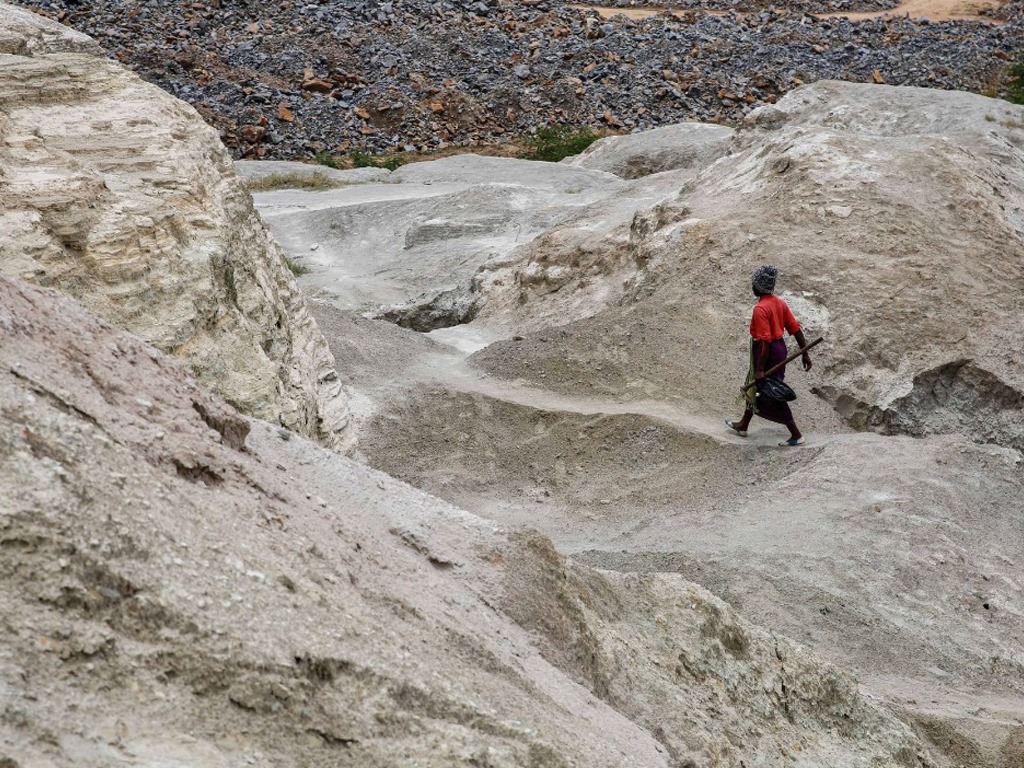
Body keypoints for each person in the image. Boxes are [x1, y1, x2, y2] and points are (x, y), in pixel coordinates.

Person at [725, 264, 812, 446]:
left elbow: (764, 341)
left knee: (770, 391)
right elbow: (795, 329)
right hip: (779, 349)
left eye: (754, 284)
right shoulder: (779, 303)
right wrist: (805, 353)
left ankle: (796, 434)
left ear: (760, 287)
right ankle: (743, 425)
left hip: (768, 353)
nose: (752, 287)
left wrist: (760, 369)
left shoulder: (760, 309)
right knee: (755, 389)